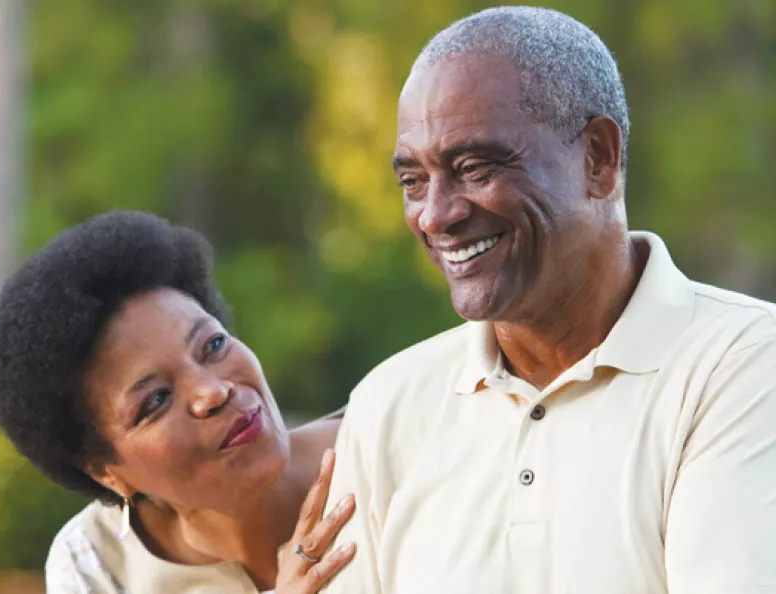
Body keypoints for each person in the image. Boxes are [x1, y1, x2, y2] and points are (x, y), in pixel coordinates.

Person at [322, 6, 776, 594]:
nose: (435, 214)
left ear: (598, 158)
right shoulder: (388, 406)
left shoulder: (742, 367)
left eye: (475, 167)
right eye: (413, 181)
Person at [0, 210, 356, 593]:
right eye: (156, 400)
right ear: (106, 471)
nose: (212, 392)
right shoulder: (96, 565)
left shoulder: (386, 448)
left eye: (213, 345)